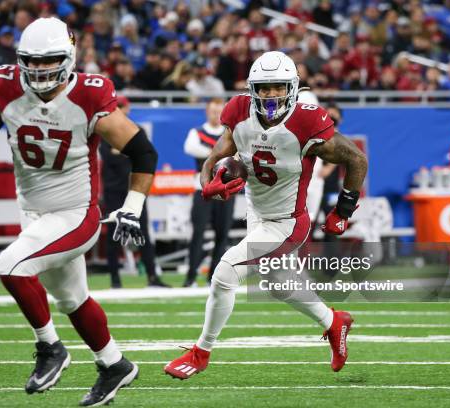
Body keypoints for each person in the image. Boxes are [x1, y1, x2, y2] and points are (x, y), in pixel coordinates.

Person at [0, 18, 156, 406]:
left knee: (11, 265)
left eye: (49, 61)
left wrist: (132, 208)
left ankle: (51, 348)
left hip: (76, 214)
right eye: (31, 61)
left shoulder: (89, 95)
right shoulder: (6, 85)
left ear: (68, 58)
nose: (39, 69)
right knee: (72, 301)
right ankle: (114, 364)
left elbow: (142, 151)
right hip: (34, 213)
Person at [164, 51, 368, 379]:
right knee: (279, 283)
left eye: (278, 87)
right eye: (264, 87)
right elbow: (215, 156)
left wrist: (343, 210)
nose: (271, 94)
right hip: (257, 214)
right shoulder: (239, 111)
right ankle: (334, 322)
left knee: (226, 272)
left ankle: (201, 351)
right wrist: (209, 182)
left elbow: (356, 159)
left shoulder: (306, 121)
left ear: (292, 88)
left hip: (288, 223)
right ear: (252, 89)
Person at [100, 95, 169, 289]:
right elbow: (110, 157)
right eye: (118, 106)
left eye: (123, 106)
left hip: (135, 190)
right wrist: (130, 153)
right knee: (113, 235)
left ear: (128, 109)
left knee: (143, 233)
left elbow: (144, 156)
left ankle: (152, 278)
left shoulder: (137, 130)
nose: (121, 110)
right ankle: (115, 279)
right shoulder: (105, 129)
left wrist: (121, 152)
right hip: (114, 190)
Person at [182, 98, 234, 287]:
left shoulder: (230, 134)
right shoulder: (197, 132)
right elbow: (189, 147)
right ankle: (190, 277)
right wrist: (218, 153)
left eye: (219, 111)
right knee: (198, 233)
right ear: (207, 112)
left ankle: (213, 277)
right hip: (203, 188)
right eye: (213, 111)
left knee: (222, 234)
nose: (215, 115)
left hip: (225, 190)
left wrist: (213, 154)